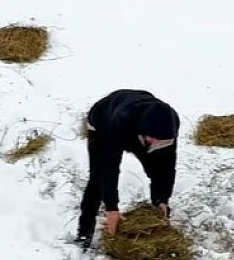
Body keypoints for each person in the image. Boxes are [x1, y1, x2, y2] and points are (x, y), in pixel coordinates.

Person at [76, 89, 180, 250]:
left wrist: (163, 200)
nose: (154, 144)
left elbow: (167, 167)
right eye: (152, 139)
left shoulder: (169, 126)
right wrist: (112, 208)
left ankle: (157, 211)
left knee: (157, 171)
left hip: (139, 124)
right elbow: (109, 167)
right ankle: (84, 233)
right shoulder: (122, 121)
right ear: (145, 132)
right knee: (98, 178)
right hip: (103, 122)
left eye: (160, 141)